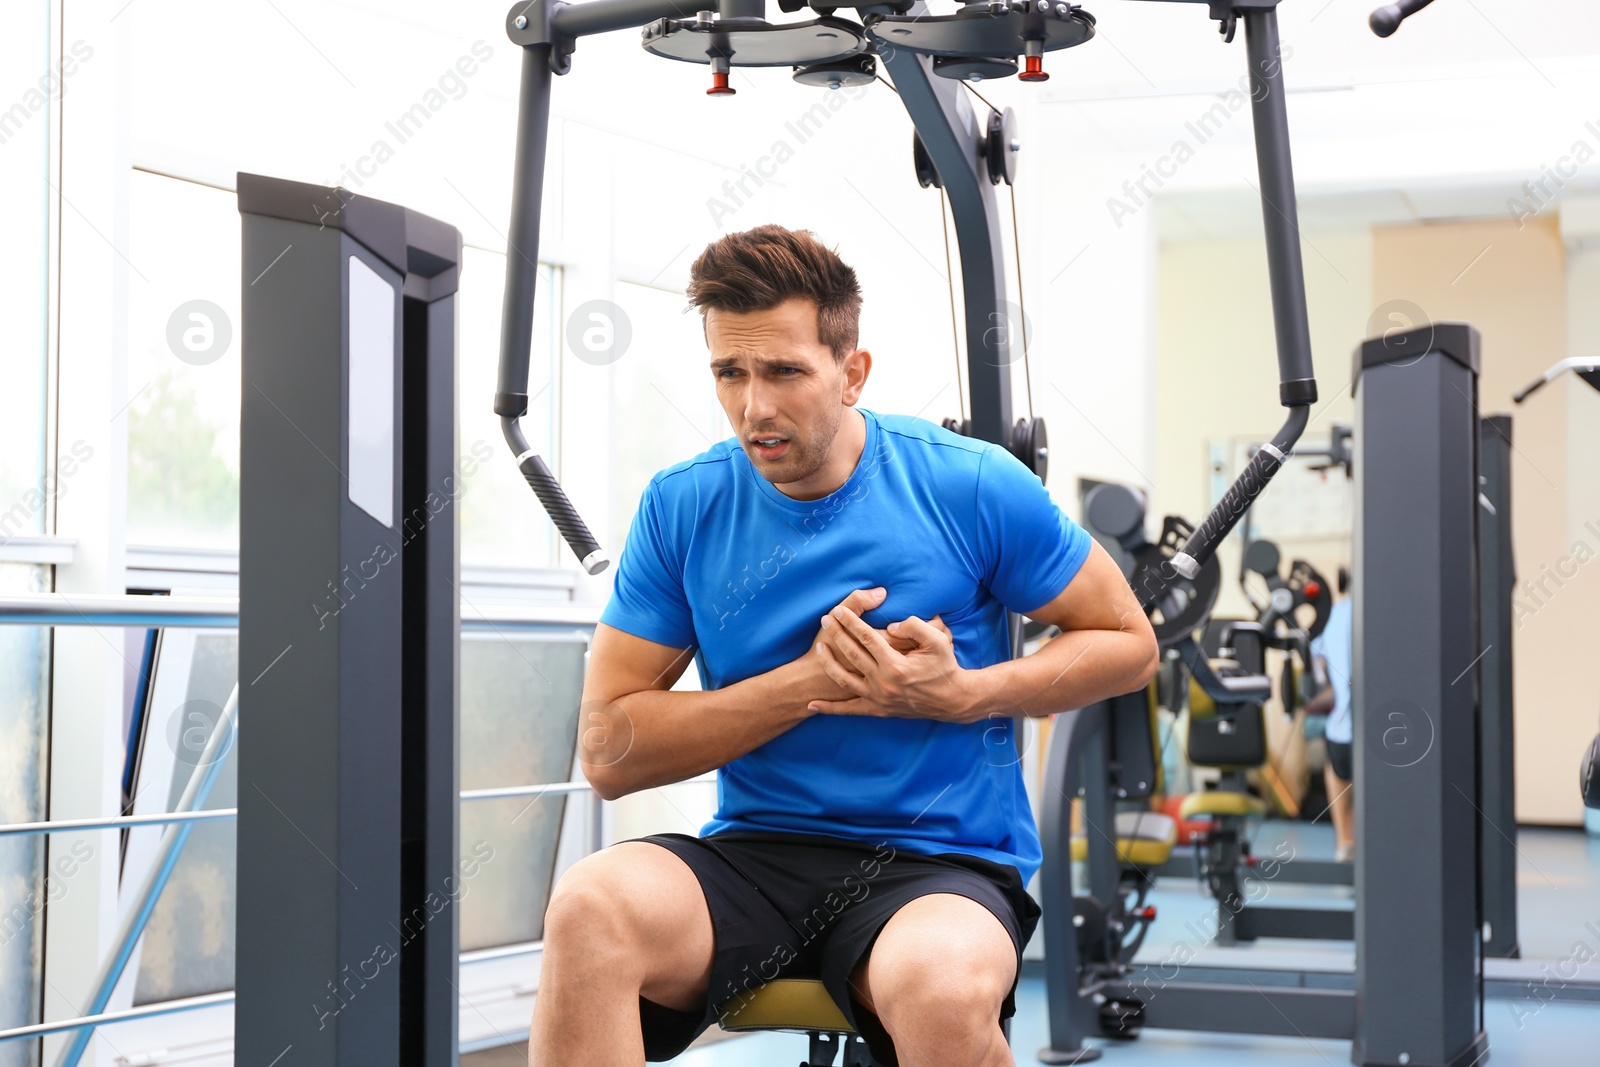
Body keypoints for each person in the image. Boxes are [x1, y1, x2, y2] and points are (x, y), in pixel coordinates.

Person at [529, 225, 1159, 1067]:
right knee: (587, 909)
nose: (755, 407)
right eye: (730, 372)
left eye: (784, 371)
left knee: (937, 984)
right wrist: (806, 683)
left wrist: (964, 692)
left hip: (940, 865)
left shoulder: (967, 483)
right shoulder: (684, 505)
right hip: (755, 854)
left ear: (852, 372)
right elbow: (608, 750)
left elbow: (1128, 642)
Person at [1306, 568, 1354, 862]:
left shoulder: (1332, 617)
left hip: (1342, 731)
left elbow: (1321, 674)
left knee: (1337, 768)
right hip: (1384, 729)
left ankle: (1344, 840)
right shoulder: (1392, 615)